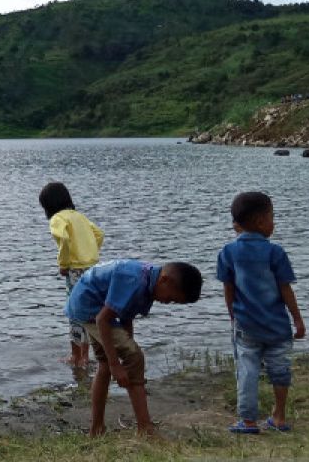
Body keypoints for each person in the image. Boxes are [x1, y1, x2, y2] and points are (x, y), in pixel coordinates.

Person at [65, 259, 203, 436]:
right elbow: (102, 319)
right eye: (170, 299)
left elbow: (125, 316)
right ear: (165, 280)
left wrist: (125, 348)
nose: (167, 303)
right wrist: (118, 363)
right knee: (134, 358)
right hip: (88, 305)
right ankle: (145, 429)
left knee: (107, 364)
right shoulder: (133, 280)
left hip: (89, 305)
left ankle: (97, 430)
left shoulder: (149, 283)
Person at [217, 191, 306, 434]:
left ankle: (247, 421)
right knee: (280, 368)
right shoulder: (275, 253)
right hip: (277, 325)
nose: (273, 223)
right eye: (272, 217)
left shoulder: (227, 252)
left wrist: (232, 315)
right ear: (260, 221)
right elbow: (285, 289)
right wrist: (297, 318)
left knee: (246, 369)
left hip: (245, 324)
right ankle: (279, 416)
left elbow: (229, 289)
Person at [39, 182, 105, 368]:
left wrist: (64, 264)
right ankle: (85, 356)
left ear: (47, 206)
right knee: (88, 312)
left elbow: (65, 240)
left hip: (76, 270)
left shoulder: (57, 219)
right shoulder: (79, 216)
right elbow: (99, 234)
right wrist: (89, 253)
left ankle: (75, 357)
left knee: (75, 312)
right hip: (93, 268)